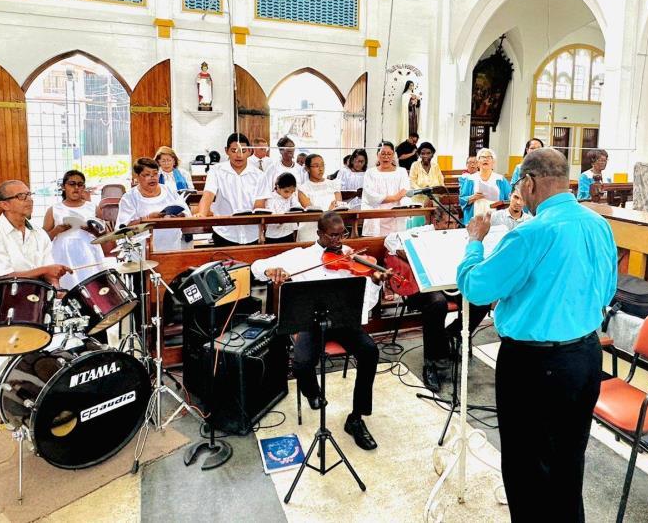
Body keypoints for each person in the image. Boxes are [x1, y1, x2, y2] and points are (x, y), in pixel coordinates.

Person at [458, 148, 617, 521]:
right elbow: (607, 290)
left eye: (518, 185)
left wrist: (474, 243)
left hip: (534, 364)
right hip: (585, 355)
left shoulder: (531, 233)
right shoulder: (598, 225)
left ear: (528, 182)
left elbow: (476, 287)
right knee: (568, 460)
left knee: (526, 467)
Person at [250, 212, 389, 450]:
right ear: (319, 234)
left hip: (343, 321)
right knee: (302, 363)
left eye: (342, 234)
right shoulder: (301, 256)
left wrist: (375, 283)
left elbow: (366, 303)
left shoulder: (351, 257)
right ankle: (313, 393)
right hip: (311, 322)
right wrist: (272, 270)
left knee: (370, 352)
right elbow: (256, 267)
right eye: (333, 235)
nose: (339, 241)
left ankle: (356, 418)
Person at [384, 207, 490, 392]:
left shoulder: (458, 235)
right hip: (424, 285)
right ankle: (431, 363)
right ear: (435, 222)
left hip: (449, 282)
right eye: (446, 223)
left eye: (453, 223)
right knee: (437, 303)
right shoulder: (422, 232)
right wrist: (407, 253)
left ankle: (451, 334)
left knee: (481, 298)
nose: (451, 227)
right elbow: (389, 240)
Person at [0, 179, 72, 285]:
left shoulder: (39, 233)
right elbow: (0, 279)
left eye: (29, 194)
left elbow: (50, 274)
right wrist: (45, 270)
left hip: (37, 294)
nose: (29, 199)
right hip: (2, 294)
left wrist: (56, 288)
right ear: (4, 205)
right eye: (21, 196)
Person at [197, 133, 266, 246]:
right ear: (226, 151)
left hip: (251, 234)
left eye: (243, 151)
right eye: (234, 151)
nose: (239, 155)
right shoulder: (216, 171)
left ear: (249, 151)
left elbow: (259, 205)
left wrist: (261, 231)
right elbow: (208, 194)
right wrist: (201, 213)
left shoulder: (259, 175)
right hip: (224, 232)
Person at [42, 170, 107, 288]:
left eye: (80, 184)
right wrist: (57, 230)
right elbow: (43, 239)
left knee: (91, 287)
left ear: (84, 187)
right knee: (66, 286)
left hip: (88, 253)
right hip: (63, 254)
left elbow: (105, 235)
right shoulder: (54, 209)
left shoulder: (93, 207)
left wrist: (91, 230)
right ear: (63, 187)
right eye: (72, 184)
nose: (76, 188)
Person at [117, 158, 190, 252]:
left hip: (171, 248)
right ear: (137, 176)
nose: (152, 178)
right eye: (147, 175)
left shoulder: (169, 191)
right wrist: (148, 218)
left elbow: (187, 215)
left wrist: (178, 216)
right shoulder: (129, 198)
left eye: (155, 174)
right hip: (142, 251)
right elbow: (122, 229)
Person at [361, 141, 411, 236]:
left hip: (396, 216)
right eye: (383, 154)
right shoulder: (370, 173)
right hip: (376, 216)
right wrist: (395, 197)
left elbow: (405, 193)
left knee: (396, 241)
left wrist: (404, 206)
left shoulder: (401, 172)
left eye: (389, 154)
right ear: (377, 155)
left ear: (393, 155)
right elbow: (370, 196)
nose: (386, 157)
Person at [458, 148, 511, 224]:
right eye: (482, 157)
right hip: (475, 217)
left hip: (496, 217)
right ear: (478, 163)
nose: (485, 159)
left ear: (493, 162)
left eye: (489, 157)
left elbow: (509, 200)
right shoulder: (470, 179)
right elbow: (462, 199)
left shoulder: (500, 180)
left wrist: (500, 203)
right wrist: (472, 198)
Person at [297, 154, 341, 242]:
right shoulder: (302, 189)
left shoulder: (333, 184)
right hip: (310, 230)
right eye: (316, 166)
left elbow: (338, 205)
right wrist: (329, 210)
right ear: (307, 168)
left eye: (322, 165)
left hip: (331, 229)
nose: (321, 169)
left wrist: (331, 210)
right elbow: (311, 211)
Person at [254, 173, 302, 243]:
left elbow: (297, 207)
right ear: (278, 187)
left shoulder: (291, 197)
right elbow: (270, 215)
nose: (289, 194)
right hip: (273, 235)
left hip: (288, 232)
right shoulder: (270, 198)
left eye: (292, 192)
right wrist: (282, 218)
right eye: (286, 191)